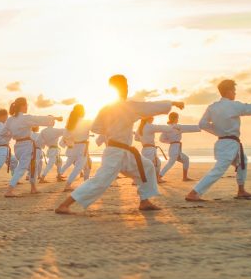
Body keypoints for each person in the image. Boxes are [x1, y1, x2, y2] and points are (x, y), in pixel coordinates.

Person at [55, 74, 184, 214]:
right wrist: (172, 103)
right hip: (116, 151)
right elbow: (150, 107)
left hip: (125, 151)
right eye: (125, 86)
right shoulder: (128, 106)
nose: (127, 88)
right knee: (100, 181)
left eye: (127, 86)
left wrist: (112, 129)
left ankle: (145, 201)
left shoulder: (106, 108)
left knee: (147, 167)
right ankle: (64, 205)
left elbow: (95, 127)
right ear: (119, 88)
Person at [185, 79, 251, 202]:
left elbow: (202, 124)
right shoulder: (233, 105)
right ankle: (194, 192)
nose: (235, 93)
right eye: (234, 91)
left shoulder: (212, 107)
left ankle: (241, 190)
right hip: (229, 143)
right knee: (219, 169)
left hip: (223, 142)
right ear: (228, 91)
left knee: (243, 162)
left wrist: (218, 131)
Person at [2, 97, 62, 197]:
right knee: (22, 167)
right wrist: (55, 118)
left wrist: (13, 134)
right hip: (26, 145)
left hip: (17, 146)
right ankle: (9, 190)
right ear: (22, 106)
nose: (27, 107)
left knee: (32, 166)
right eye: (26, 105)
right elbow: (39, 119)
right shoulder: (25, 118)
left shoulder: (10, 120)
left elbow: (2, 133)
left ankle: (33, 188)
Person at [159, 112, 201, 181]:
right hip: (175, 148)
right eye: (177, 118)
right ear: (174, 118)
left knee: (186, 159)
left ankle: (185, 177)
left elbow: (161, 139)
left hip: (173, 148)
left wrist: (171, 141)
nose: (178, 119)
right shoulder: (177, 127)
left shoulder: (166, 128)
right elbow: (190, 128)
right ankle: (159, 177)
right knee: (170, 163)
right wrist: (202, 127)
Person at [61, 104, 92, 192]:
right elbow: (96, 128)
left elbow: (65, 136)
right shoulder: (86, 122)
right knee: (79, 167)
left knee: (88, 164)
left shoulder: (70, 123)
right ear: (82, 112)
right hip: (82, 147)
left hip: (74, 146)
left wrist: (71, 139)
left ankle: (86, 182)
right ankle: (68, 185)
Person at [136, 116, 172, 183]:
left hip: (145, 149)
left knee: (154, 163)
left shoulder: (140, 128)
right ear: (148, 118)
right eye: (152, 118)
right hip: (150, 149)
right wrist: (172, 126)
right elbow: (162, 128)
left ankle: (155, 178)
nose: (153, 119)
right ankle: (154, 179)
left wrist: (144, 140)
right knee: (155, 164)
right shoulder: (150, 126)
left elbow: (136, 138)